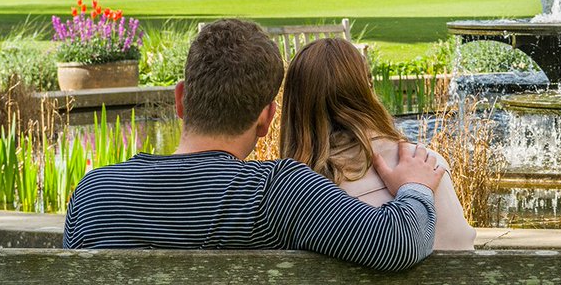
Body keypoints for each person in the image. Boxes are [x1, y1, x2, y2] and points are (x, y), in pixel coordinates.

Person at [63, 19, 445, 272]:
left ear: (181, 100)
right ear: (266, 119)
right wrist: (414, 186)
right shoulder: (278, 190)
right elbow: (399, 241)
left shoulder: (94, 193)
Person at [280, 38, 476, 250]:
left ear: (295, 107)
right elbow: (461, 246)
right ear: (367, 89)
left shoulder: (288, 195)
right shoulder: (429, 165)